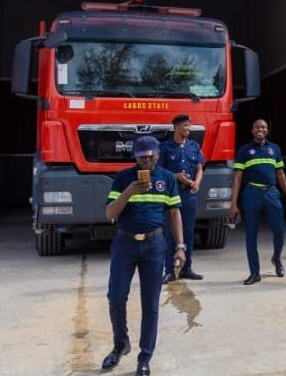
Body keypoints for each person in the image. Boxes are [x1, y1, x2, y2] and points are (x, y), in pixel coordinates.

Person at [102, 135, 184, 376]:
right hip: (124, 243)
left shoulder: (168, 178)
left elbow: (174, 213)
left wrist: (181, 246)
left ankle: (144, 357)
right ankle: (120, 345)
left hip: (154, 245)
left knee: (151, 305)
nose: (147, 159)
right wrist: (128, 191)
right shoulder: (123, 178)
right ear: (135, 156)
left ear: (158, 154)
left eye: (151, 154)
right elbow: (109, 213)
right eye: (142, 155)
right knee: (116, 297)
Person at [228, 119, 286, 285]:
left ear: (267, 131)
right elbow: (238, 177)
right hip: (251, 193)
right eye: (257, 127)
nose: (260, 129)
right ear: (252, 130)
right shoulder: (244, 150)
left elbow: (280, 174)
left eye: (263, 127)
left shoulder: (274, 149)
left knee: (279, 230)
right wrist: (233, 203)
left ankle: (277, 259)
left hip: (271, 193)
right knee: (251, 234)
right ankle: (254, 272)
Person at [160, 114, 205, 283]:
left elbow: (200, 168)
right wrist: (176, 176)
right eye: (185, 125)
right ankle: (170, 270)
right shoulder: (164, 148)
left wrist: (197, 182)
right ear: (176, 127)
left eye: (190, 125)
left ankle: (187, 268)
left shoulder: (194, 146)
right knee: (171, 233)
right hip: (171, 195)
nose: (189, 128)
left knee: (188, 232)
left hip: (189, 194)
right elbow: (159, 172)